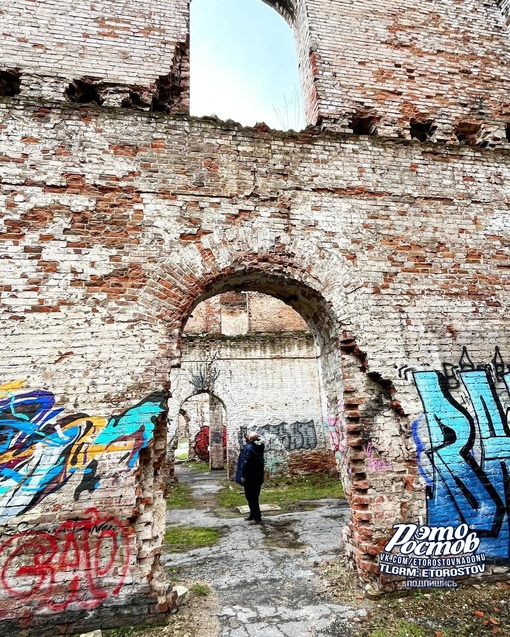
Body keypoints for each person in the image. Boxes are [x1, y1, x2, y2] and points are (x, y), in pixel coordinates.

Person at [235, 431, 265, 524]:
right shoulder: (259, 446)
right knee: (254, 496)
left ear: (250, 439)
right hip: (258, 476)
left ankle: (256, 517)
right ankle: (253, 514)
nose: (246, 437)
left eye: (248, 436)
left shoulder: (249, 448)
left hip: (250, 477)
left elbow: (246, 463)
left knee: (251, 497)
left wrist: (243, 475)